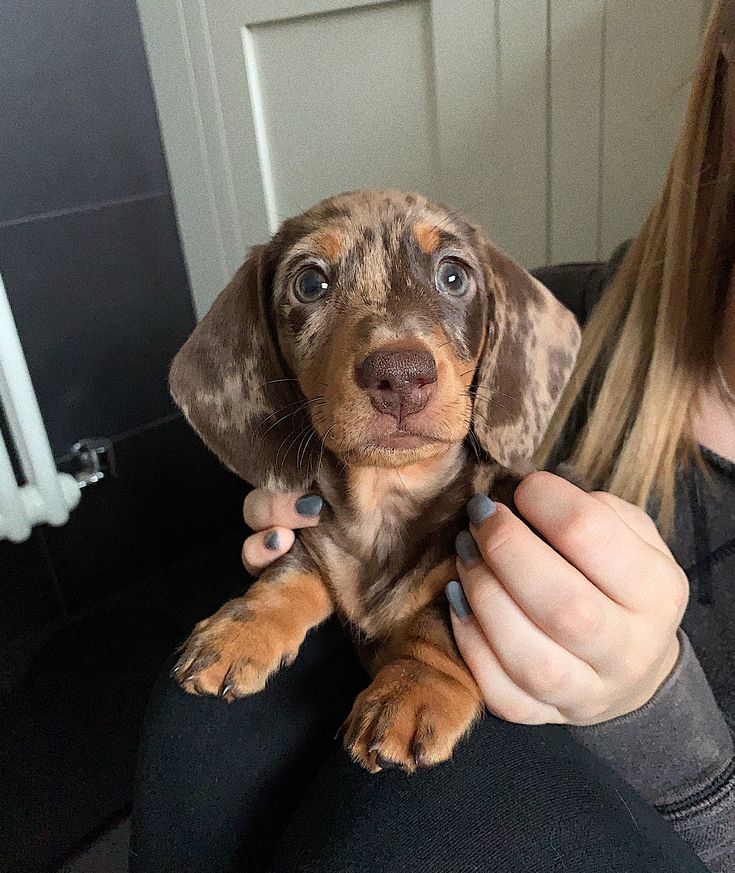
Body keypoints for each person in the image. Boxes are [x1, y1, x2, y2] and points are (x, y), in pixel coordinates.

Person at [129, 2, 735, 870]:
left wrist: (657, 716)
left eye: (449, 275)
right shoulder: (572, 313)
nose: (396, 359)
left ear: (495, 336)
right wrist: (293, 587)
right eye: (313, 285)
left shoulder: (510, 420)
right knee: (202, 721)